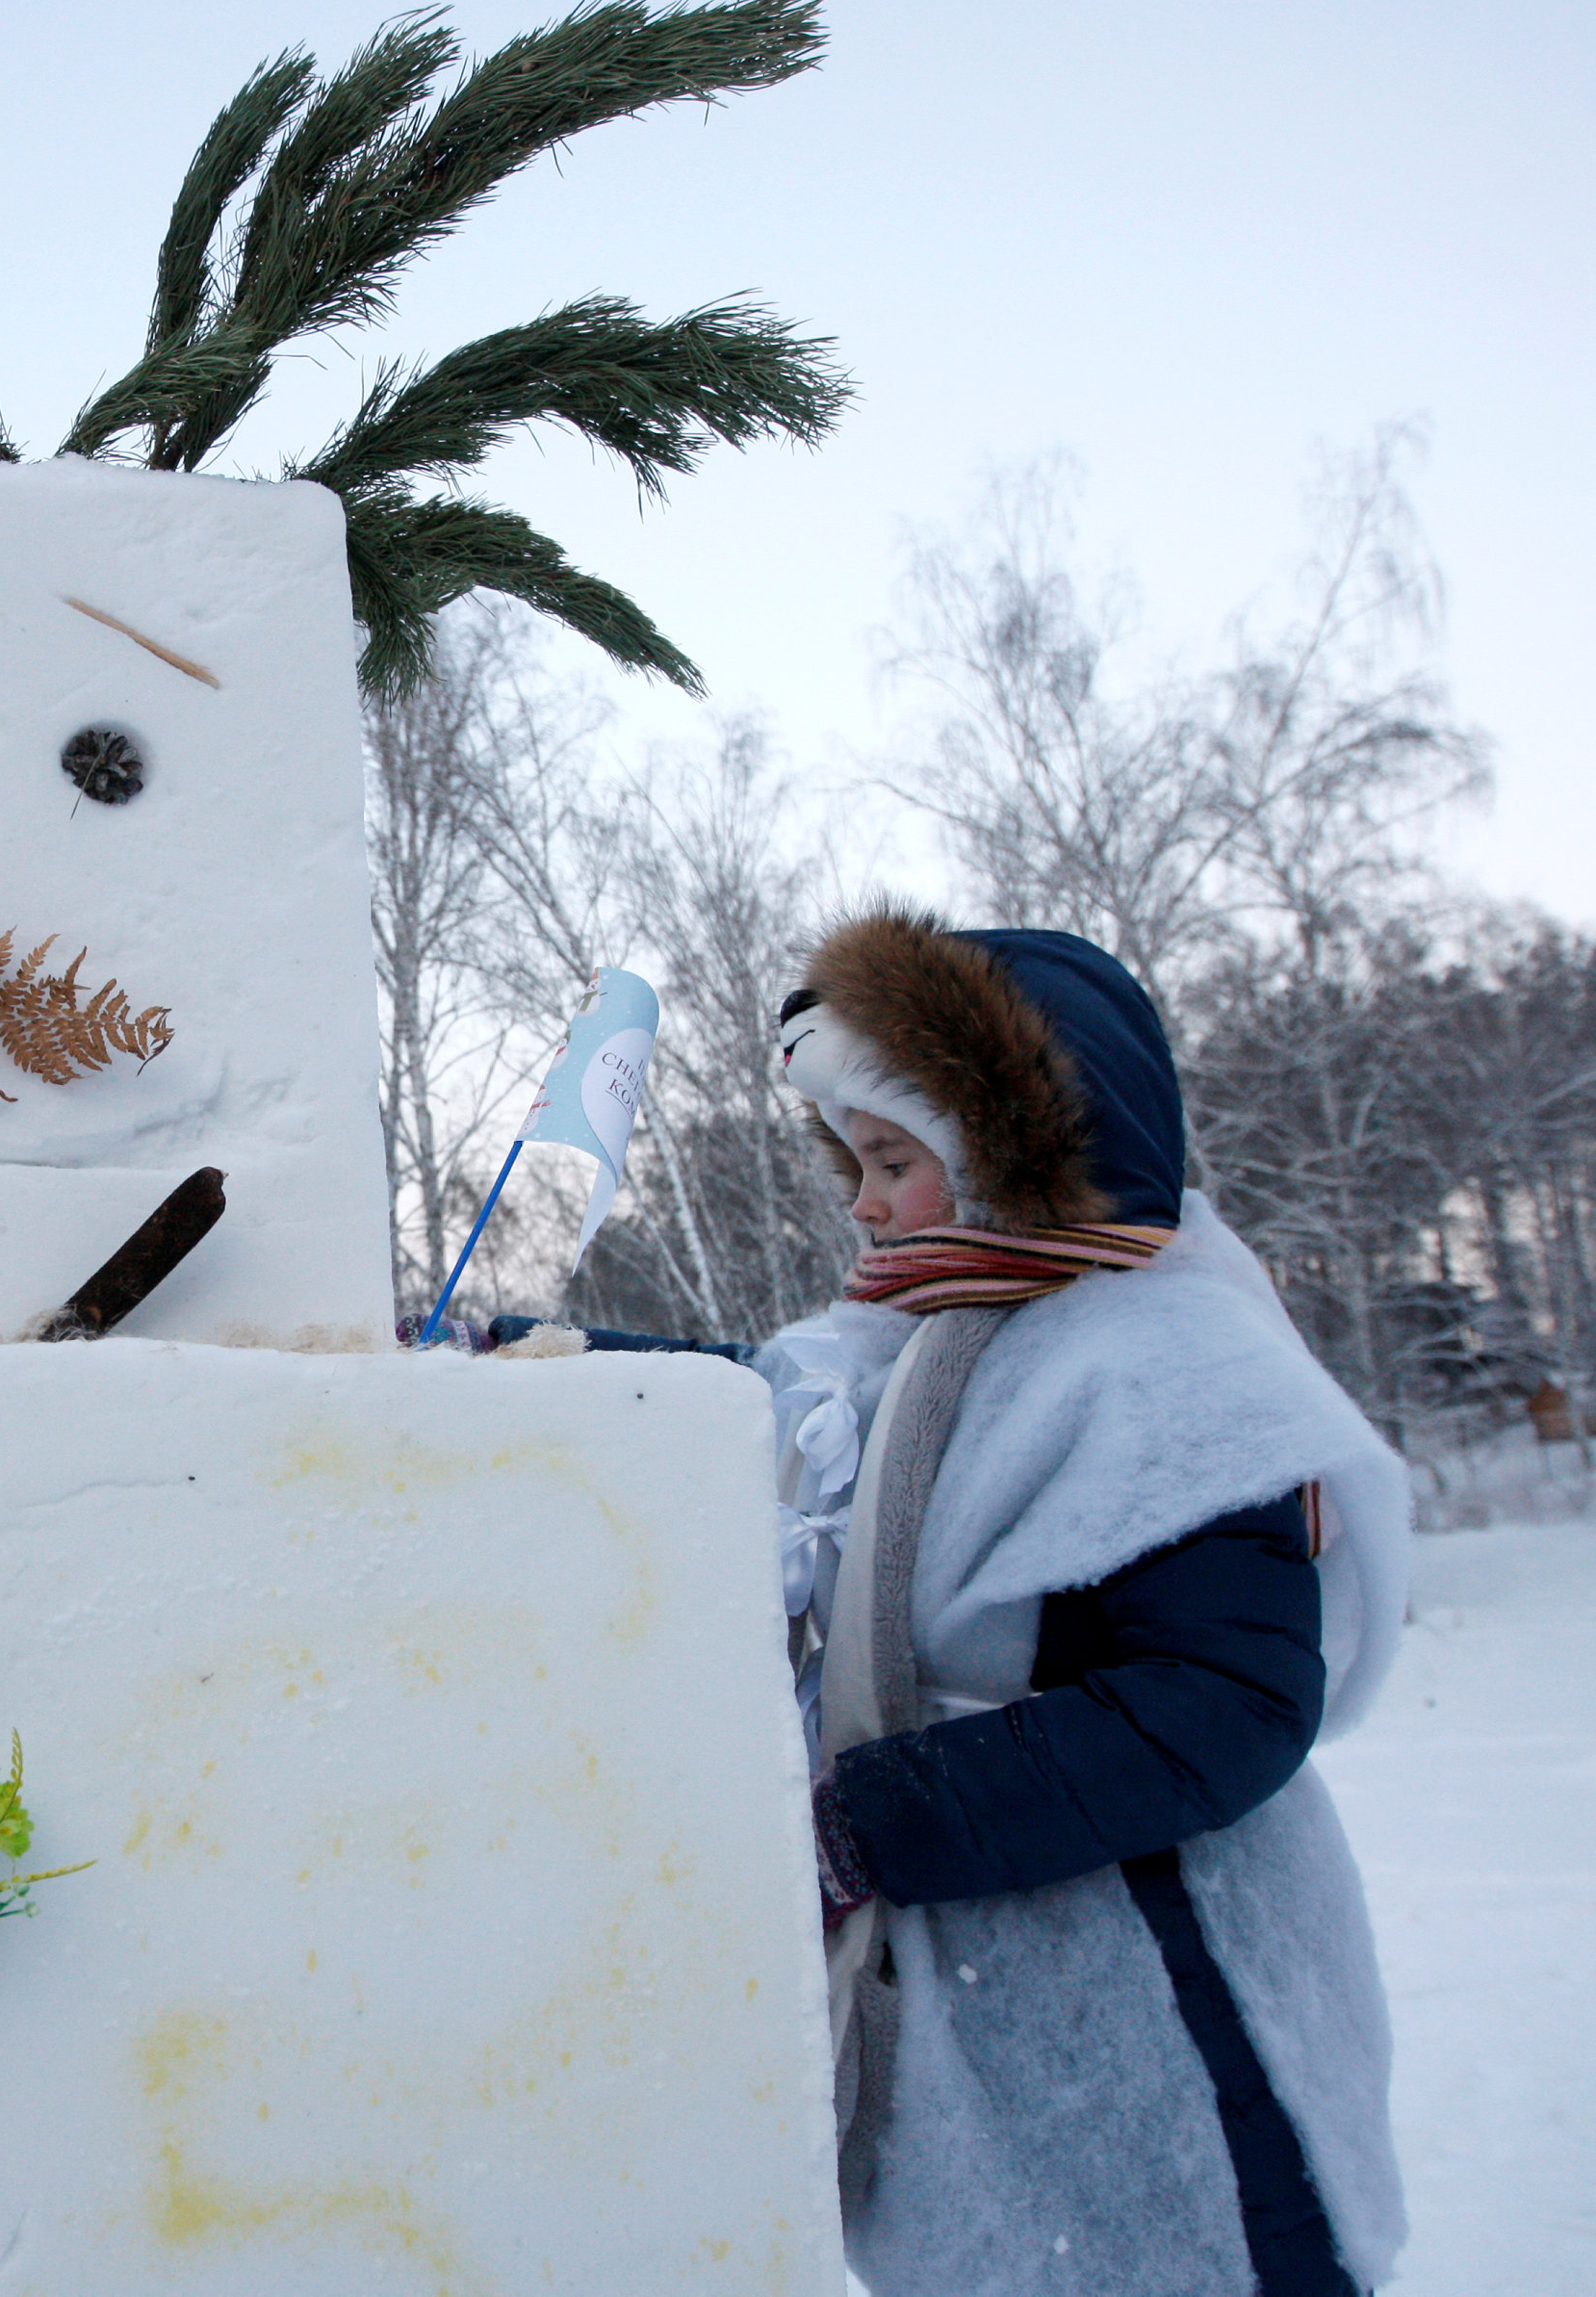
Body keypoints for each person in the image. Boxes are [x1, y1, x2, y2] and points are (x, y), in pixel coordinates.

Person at [505, 911, 1409, 2297]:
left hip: (1169, 2005)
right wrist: (539, 1361)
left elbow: (1224, 1705)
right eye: (854, 1163)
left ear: (1011, 1156)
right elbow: (764, 1400)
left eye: (892, 1161)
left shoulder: (1159, 1365)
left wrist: (868, 1820)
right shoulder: (932, 1348)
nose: (861, 1204)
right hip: (991, 2002)